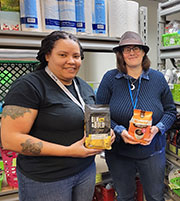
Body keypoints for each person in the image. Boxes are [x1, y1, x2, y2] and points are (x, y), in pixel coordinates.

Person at [0, 31, 115, 201]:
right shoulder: (29, 86)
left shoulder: (83, 86)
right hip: (47, 179)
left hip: (84, 171)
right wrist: (68, 151)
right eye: (63, 55)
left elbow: (86, 120)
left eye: (76, 56)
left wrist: (104, 132)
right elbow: (9, 139)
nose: (71, 61)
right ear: (47, 55)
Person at [96, 31, 177, 201]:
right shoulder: (110, 79)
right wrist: (119, 130)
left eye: (136, 48)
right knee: (124, 197)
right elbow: (99, 114)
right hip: (119, 153)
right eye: (127, 49)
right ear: (120, 54)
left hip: (152, 151)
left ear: (143, 52)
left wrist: (156, 129)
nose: (132, 52)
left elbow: (170, 111)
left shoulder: (157, 79)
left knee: (155, 196)